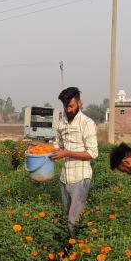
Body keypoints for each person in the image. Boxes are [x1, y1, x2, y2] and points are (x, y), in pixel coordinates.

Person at [48, 87, 98, 235]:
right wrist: (42, 146)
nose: (68, 109)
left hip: (80, 178)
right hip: (65, 178)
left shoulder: (86, 123)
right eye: (65, 106)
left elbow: (92, 153)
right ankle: (70, 245)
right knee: (67, 217)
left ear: (79, 103)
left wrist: (67, 153)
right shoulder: (61, 123)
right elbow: (58, 146)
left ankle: (76, 249)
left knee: (73, 220)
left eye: (71, 106)